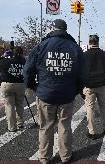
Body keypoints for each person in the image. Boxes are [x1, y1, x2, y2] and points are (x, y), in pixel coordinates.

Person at [23, 19, 86, 164]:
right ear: (65, 30)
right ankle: (66, 156)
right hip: (67, 94)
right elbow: (83, 74)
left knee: (45, 126)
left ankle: (44, 158)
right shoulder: (75, 48)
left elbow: (27, 70)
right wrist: (76, 90)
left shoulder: (41, 46)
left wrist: (33, 87)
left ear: (52, 28)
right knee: (65, 126)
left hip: (45, 93)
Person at [83, 34, 105, 140]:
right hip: (102, 85)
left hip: (89, 86)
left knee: (90, 109)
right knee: (103, 107)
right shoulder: (104, 54)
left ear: (89, 42)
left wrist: (83, 84)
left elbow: (80, 71)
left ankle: (91, 131)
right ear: (98, 42)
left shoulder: (85, 55)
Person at [0, 46, 26, 132]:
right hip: (21, 84)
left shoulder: (7, 61)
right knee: (20, 104)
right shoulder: (25, 61)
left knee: (9, 105)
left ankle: (12, 127)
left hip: (8, 85)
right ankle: (20, 124)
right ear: (22, 53)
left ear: (13, 53)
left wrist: (2, 57)